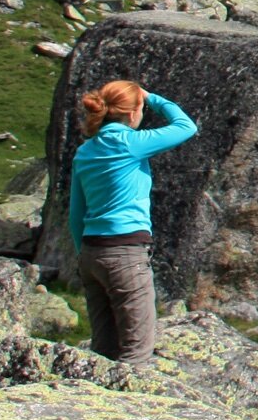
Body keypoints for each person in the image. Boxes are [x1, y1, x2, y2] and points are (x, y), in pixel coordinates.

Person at [66, 79, 196, 363]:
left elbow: (76, 213)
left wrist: (83, 255)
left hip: (91, 253)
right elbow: (186, 126)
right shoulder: (131, 144)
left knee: (103, 352)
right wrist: (152, 98)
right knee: (137, 352)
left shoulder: (84, 152)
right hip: (126, 252)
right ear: (132, 112)